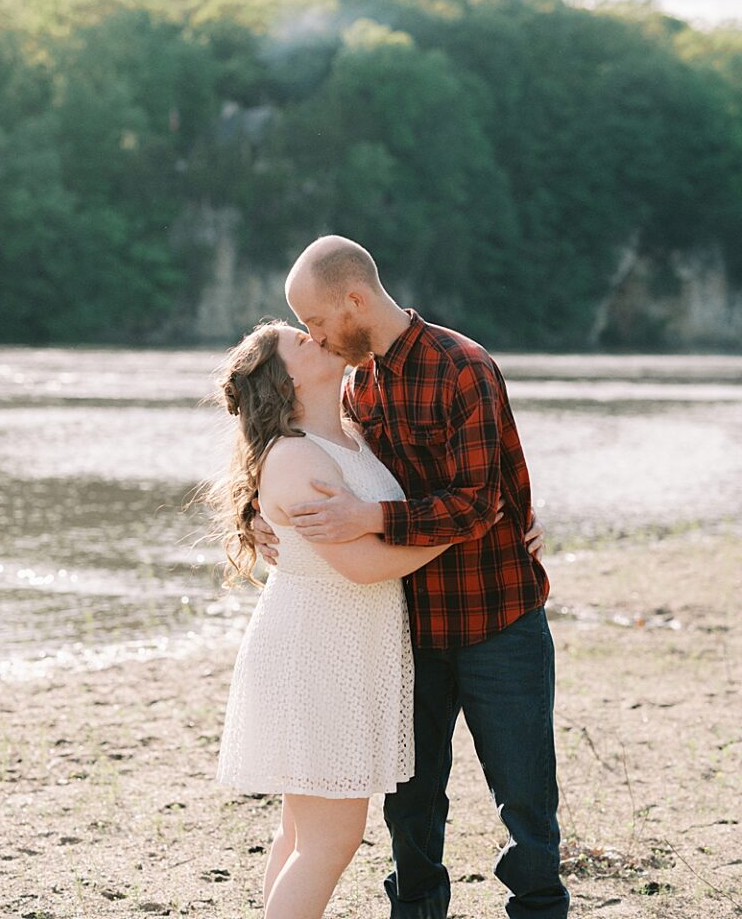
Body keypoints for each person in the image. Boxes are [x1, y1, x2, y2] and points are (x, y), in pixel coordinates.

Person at [253, 235, 570, 919]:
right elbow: (298, 445)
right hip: (409, 630)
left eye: (316, 321)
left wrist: (372, 517)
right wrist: (264, 513)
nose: (315, 336)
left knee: (525, 795)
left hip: (497, 619)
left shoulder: (463, 367)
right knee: (412, 802)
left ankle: (539, 910)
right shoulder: (356, 387)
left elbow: (477, 501)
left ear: (355, 299)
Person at [211, 320, 464, 919]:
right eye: (300, 341)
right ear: (285, 381)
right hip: (317, 652)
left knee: (301, 834)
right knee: (332, 838)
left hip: (343, 646)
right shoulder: (298, 456)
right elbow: (364, 565)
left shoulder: (350, 433)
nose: (314, 336)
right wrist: (462, 529)